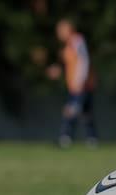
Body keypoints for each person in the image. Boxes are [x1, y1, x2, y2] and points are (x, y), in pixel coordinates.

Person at [47, 19, 97, 148]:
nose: (58, 33)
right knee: (86, 112)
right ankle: (92, 139)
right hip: (77, 85)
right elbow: (71, 64)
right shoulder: (69, 45)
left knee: (70, 110)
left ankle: (66, 138)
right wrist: (58, 70)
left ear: (68, 29)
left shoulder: (77, 41)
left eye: (60, 30)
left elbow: (84, 60)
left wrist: (80, 80)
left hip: (81, 85)